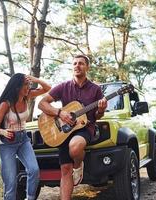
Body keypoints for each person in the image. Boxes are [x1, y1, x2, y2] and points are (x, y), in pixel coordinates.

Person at [38, 55, 107, 200]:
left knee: (75, 147)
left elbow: (97, 116)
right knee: (65, 169)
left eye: (81, 63)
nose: (77, 66)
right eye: (74, 63)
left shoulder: (95, 90)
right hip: (64, 130)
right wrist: (60, 113)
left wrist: (100, 110)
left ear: (87, 67)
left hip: (84, 128)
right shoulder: (64, 87)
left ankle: (78, 164)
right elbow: (42, 103)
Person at [0, 73, 51, 200]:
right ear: (17, 86)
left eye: (29, 84)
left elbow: (47, 88)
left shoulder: (27, 96)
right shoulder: (5, 104)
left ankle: (30, 198)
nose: (28, 87)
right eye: (26, 84)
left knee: (34, 170)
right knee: (11, 182)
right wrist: (3, 132)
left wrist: (35, 79)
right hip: (7, 143)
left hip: (23, 140)